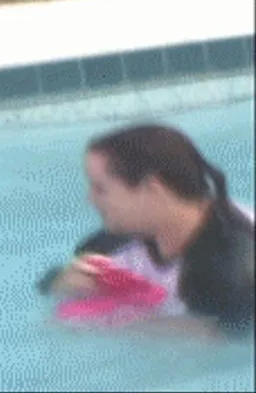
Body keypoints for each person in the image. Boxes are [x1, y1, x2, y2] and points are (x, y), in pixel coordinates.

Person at [36, 122, 254, 340]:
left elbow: (236, 338)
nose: (90, 199)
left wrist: (123, 323)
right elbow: (49, 283)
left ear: (152, 190)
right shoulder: (114, 243)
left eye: (101, 189)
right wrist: (60, 282)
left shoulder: (239, 261)